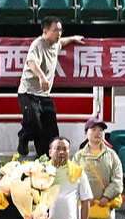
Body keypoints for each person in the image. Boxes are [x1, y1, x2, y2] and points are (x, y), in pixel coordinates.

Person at [16, 17, 82, 159]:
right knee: (34, 122)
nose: (59, 33)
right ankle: (23, 138)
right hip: (28, 93)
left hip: (44, 95)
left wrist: (73, 38)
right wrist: (41, 76)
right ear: (45, 31)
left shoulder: (56, 43)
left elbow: (62, 42)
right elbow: (32, 62)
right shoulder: (38, 45)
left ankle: (45, 156)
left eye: (60, 30)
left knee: (51, 129)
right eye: (55, 30)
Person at [78, 120, 125, 219]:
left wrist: (107, 196)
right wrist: (85, 197)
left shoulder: (112, 155)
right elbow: (74, 179)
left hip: (106, 207)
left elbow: (118, 179)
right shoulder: (79, 156)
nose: (98, 133)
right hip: (86, 208)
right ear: (86, 133)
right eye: (93, 130)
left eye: (101, 130)